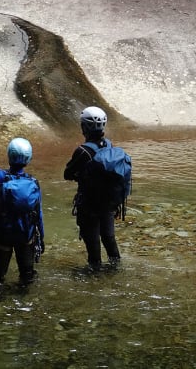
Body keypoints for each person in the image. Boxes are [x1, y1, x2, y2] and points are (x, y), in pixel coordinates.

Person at [0, 136, 44, 290]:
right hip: (26, 236)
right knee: (27, 276)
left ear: (9, 156)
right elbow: (38, 214)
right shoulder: (33, 182)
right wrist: (41, 239)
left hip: (3, 235)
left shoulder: (0, 178)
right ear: (28, 160)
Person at [64, 106, 121, 272]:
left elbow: (67, 174)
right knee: (109, 238)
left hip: (89, 205)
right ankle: (116, 270)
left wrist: (81, 176)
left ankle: (95, 275)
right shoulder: (109, 145)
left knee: (93, 242)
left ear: (84, 127)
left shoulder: (83, 151)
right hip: (109, 203)